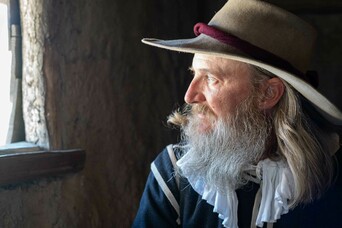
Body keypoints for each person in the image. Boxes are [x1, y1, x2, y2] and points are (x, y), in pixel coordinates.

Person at [133, 0, 342, 227]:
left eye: (212, 79)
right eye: (194, 74)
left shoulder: (331, 178)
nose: (190, 96)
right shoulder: (175, 171)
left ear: (268, 93)